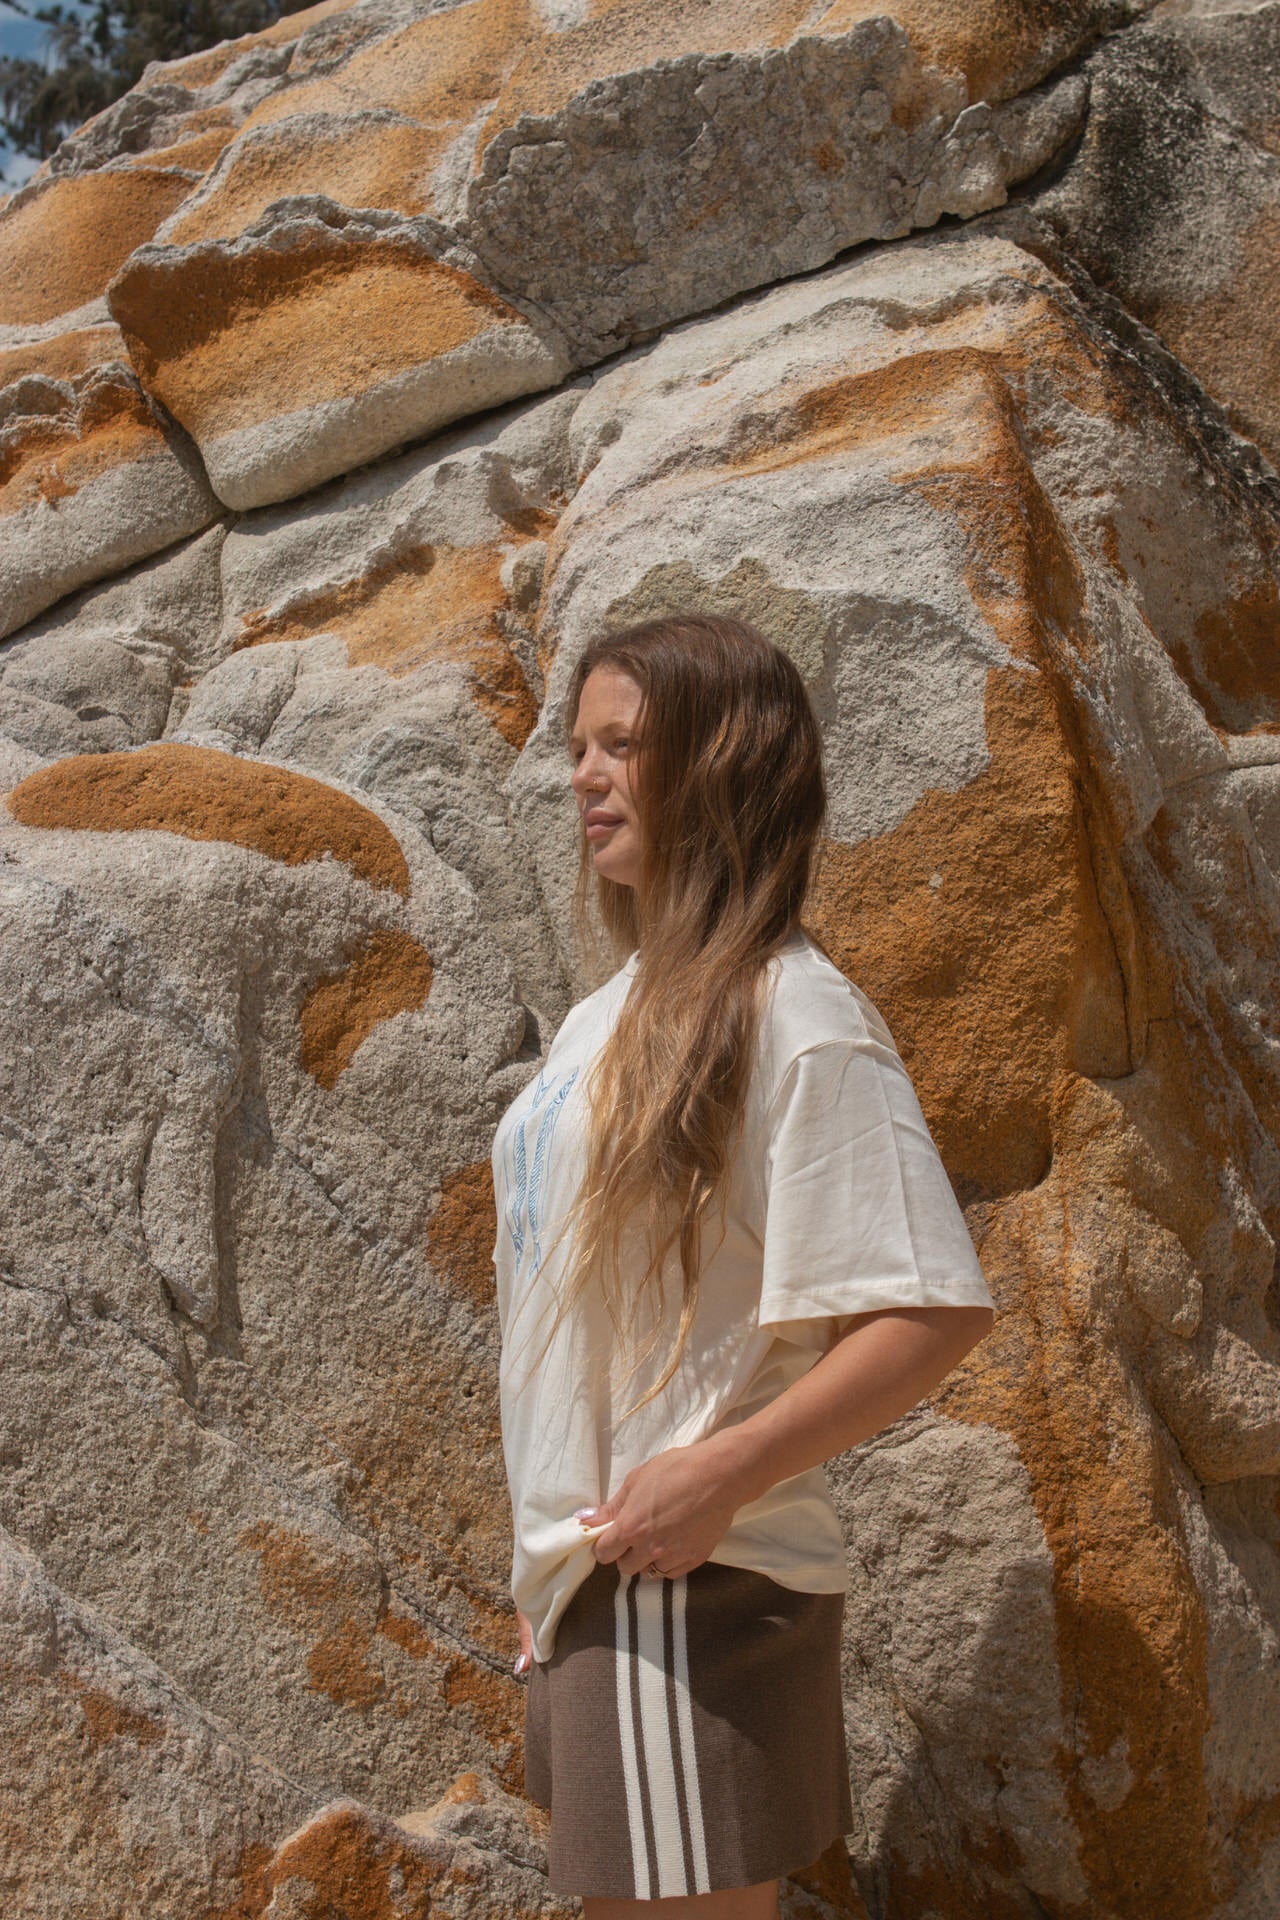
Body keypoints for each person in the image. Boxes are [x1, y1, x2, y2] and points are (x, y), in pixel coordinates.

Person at [490, 614, 995, 1918]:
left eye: (623, 745)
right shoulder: (606, 1017)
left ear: (720, 764)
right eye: (579, 747)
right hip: (598, 1590)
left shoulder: (794, 1012)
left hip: (687, 1595)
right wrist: (547, 1562)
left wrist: (716, 1475)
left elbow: (930, 1309)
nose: (585, 775)